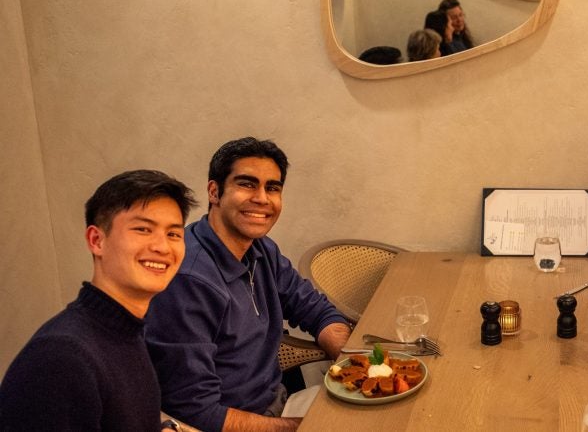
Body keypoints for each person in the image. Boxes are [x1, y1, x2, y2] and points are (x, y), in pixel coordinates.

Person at [145, 137, 351, 432]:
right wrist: (304, 427)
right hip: (237, 423)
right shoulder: (187, 280)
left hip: (278, 402)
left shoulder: (261, 249)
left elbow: (315, 309)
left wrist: (353, 364)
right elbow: (197, 412)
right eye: (247, 184)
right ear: (214, 191)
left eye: (273, 188)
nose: (262, 199)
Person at [0, 170, 196, 430]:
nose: (162, 247)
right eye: (143, 229)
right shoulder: (62, 357)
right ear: (96, 240)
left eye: (173, 234)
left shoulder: (127, 331)